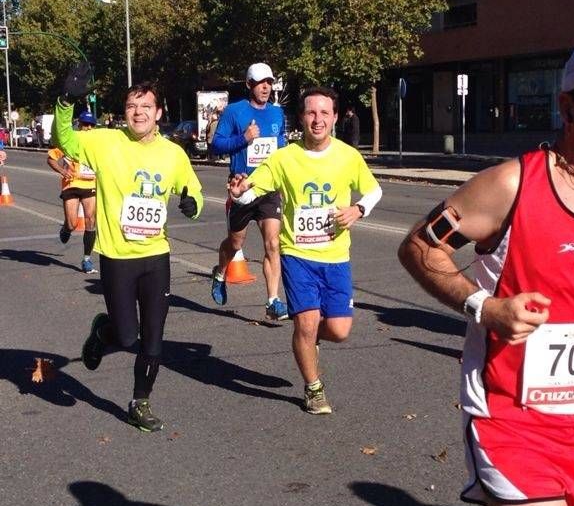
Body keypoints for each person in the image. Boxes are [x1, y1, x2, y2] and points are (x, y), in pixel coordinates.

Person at [398, 38, 574, 506]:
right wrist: (486, 307)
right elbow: (419, 249)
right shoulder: (514, 185)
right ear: (569, 108)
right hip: (510, 421)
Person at [53, 72, 203, 433]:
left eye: (146, 106)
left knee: (153, 336)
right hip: (118, 257)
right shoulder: (105, 141)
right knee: (127, 338)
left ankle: (140, 401)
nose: (138, 113)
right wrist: (65, 102)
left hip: (156, 256)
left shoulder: (173, 154)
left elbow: (193, 191)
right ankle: (103, 332)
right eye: (131, 106)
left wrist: (191, 203)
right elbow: (65, 141)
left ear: (159, 112)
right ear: (124, 112)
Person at [228, 86, 382, 414]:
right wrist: (240, 191)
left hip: (336, 256)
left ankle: (309, 343)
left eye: (325, 113)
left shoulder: (347, 156)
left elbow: (374, 190)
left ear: (335, 117)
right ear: (302, 117)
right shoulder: (283, 158)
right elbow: (249, 192)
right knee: (307, 322)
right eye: (311, 112)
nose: (317, 120)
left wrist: (358, 210)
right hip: (297, 254)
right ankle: (314, 389)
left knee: (339, 330)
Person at [210, 63, 288, 321]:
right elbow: (216, 144)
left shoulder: (278, 114)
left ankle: (273, 301)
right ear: (249, 85)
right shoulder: (234, 112)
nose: (265, 87)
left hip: (268, 189)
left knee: (273, 243)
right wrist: (244, 138)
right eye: (259, 82)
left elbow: (283, 149)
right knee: (235, 243)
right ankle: (220, 273)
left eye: (269, 82)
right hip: (242, 188)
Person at [47, 111, 98, 273]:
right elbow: (51, 159)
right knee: (73, 223)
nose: (88, 128)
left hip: (90, 184)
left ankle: (87, 259)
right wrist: (63, 171)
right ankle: (66, 229)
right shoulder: (71, 140)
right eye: (85, 124)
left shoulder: (97, 143)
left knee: (91, 220)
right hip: (71, 185)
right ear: (79, 124)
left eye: (91, 125)